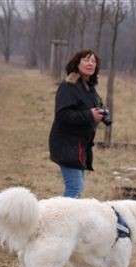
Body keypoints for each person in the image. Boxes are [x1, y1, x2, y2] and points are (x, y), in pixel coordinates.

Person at [48, 48, 105, 198]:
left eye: (93, 61)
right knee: (75, 188)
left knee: (77, 188)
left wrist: (99, 114)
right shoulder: (69, 86)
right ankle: (59, 213)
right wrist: (89, 115)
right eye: (86, 60)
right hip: (67, 144)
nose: (90, 63)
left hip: (79, 145)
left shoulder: (89, 87)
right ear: (77, 63)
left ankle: (65, 212)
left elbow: (88, 109)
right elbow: (62, 114)